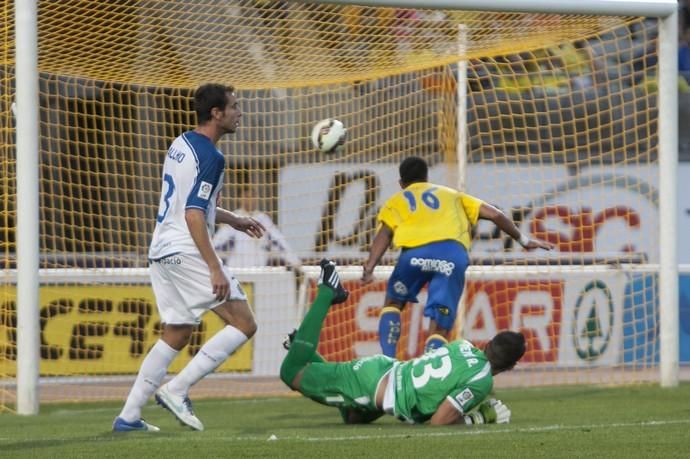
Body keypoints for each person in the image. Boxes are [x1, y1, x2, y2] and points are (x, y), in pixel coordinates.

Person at [113, 83, 266, 432]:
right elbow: (194, 215)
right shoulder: (213, 157)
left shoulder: (180, 143)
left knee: (178, 331)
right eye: (234, 106)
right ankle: (177, 389)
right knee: (244, 323)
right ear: (217, 114)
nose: (239, 112)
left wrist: (233, 219)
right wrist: (215, 267)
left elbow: (193, 203)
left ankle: (129, 417)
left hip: (161, 249)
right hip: (186, 248)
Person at [280, 259, 523, 425]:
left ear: (488, 342)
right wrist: (478, 419)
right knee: (291, 371)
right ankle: (327, 289)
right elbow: (439, 421)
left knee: (353, 418)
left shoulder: (463, 345)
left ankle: (302, 347)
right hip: (374, 385)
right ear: (511, 367)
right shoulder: (482, 379)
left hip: (384, 377)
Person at [362, 156, 553, 358]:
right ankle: (427, 372)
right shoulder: (452, 195)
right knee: (440, 325)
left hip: (414, 256)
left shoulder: (395, 202)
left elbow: (384, 233)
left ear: (401, 183)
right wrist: (523, 240)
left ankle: (388, 362)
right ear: (426, 177)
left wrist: (369, 267)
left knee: (393, 303)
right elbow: (496, 215)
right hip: (451, 257)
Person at [212, 182, 302, 271]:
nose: (250, 199)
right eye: (246, 196)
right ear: (240, 198)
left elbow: (279, 241)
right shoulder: (234, 218)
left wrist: (295, 261)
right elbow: (217, 244)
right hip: (236, 269)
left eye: (253, 196)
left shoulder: (263, 219)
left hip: (258, 270)